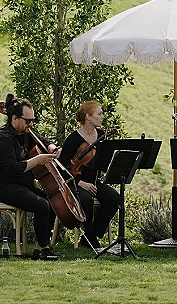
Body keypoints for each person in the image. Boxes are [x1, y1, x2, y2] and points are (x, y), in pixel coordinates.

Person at [0, 93, 61, 261]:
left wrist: (52, 147)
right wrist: (36, 161)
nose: (31, 124)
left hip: (22, 185)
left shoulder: (25, 132)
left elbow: (42, 140)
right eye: (28, 121)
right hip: (4, 187)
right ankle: (43, 248)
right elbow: (11, 170)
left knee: (53, 202)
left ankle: (42, 247)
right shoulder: (2, 138)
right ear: (14, 119)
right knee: (42, 205)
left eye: (33, 121)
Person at [59, 101, 120, 251]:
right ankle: (90, 236)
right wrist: (80, 183)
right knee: (85, 199)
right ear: (88, 117)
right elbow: (61, 167)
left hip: (94, 182)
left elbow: (104, 164)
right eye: (99, 114)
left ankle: (92, 234)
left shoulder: (101, 137)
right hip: (74, 182)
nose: (103, 117)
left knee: (115, 198)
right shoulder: (73, 139)